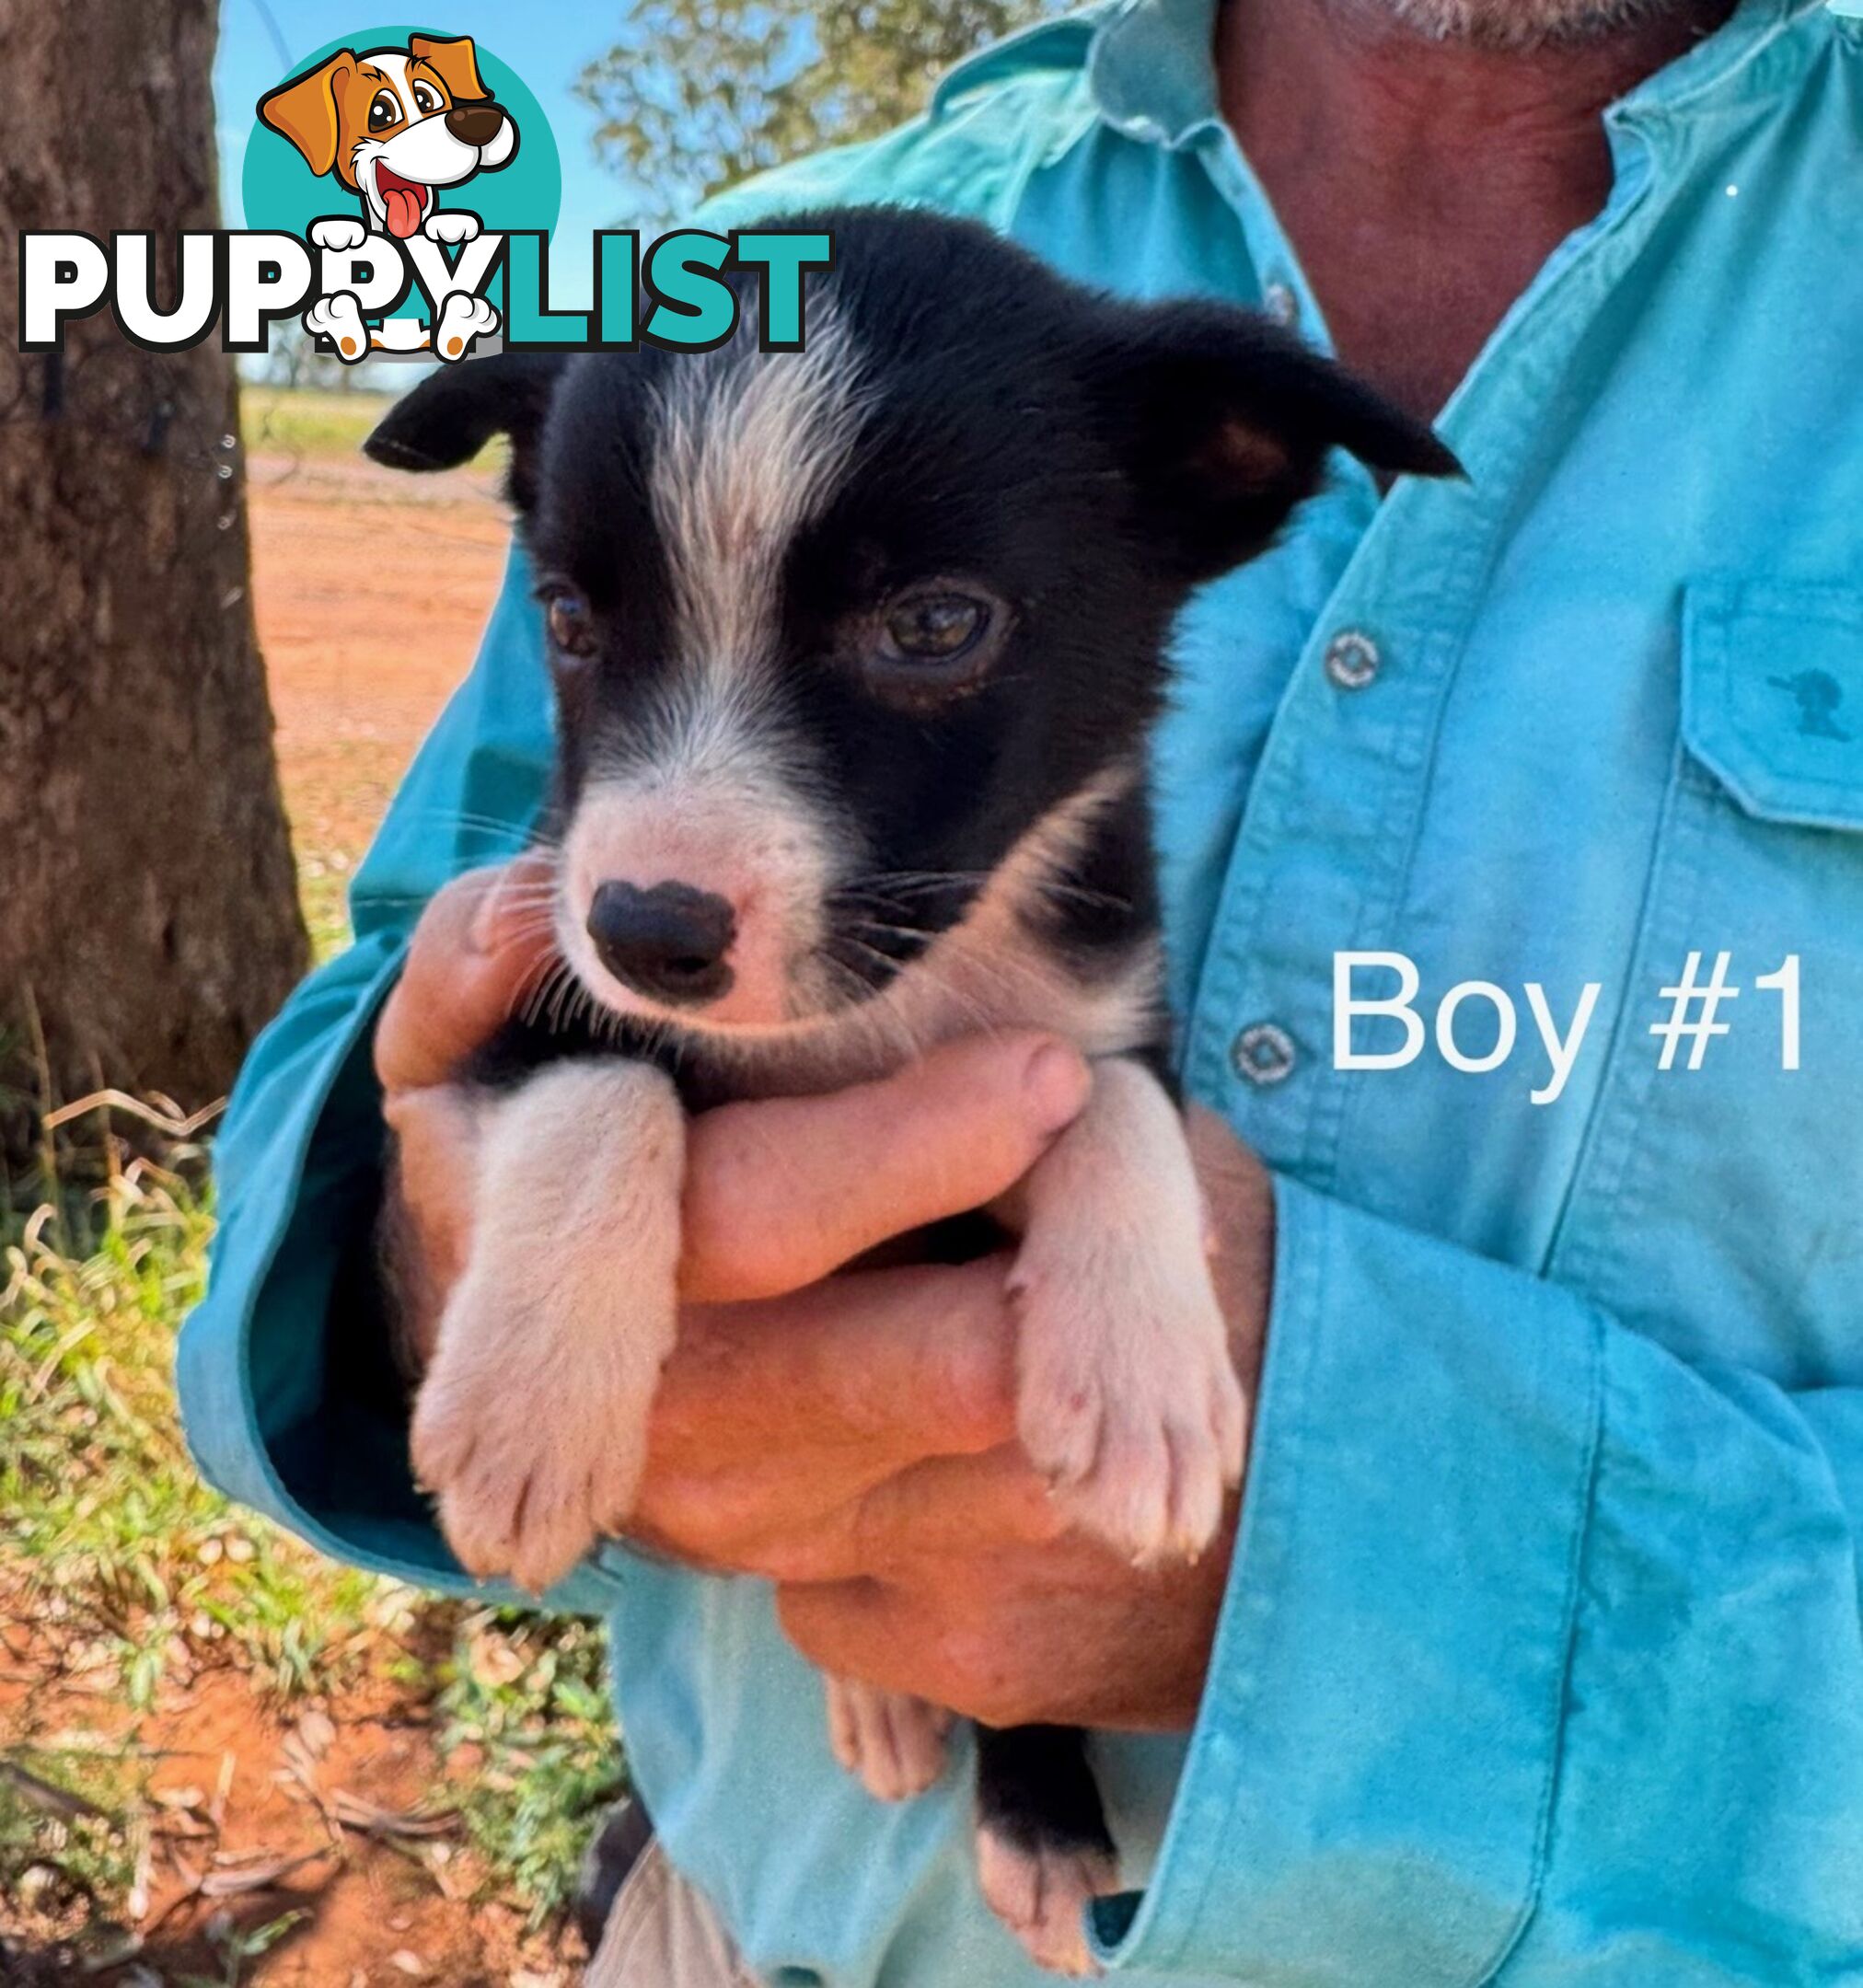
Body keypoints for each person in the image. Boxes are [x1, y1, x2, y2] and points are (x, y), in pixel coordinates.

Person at [180, 0, 1863, 1981]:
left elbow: (1089, 1095)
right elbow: (388, 1040)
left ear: (1234, 481)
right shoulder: (723, 276)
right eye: (586, 612)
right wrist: (422, 1245)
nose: (667, 837)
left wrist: (1384, 1558)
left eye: (928, 626)